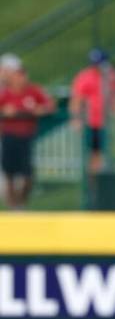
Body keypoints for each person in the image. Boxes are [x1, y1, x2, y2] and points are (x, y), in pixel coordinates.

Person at [0, 54, 55, 209]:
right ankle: (12, 206)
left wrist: (41, 110)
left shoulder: (33, 91)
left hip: (26, 136)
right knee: (9, 173)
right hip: (8, 136)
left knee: (27, 175)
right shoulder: (5, 93)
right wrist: (5, 112)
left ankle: (21, 203)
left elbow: (49, 105)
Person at [69, 47, 115, 176]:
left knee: (105, 155)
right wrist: (76, 118)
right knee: (94, 156)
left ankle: (101, 182)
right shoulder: (84, 77)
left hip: (106, 122)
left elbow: (113, 98)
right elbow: (77, 100)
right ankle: (94, 186)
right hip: (91, 122)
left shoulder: (111, 75)